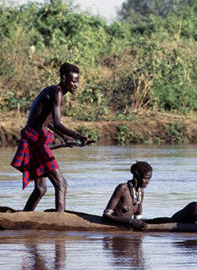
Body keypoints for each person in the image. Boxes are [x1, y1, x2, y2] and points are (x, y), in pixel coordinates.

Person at [10, 62, 91, 212]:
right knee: (61, 184)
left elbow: (50, 122)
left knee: (40, 189)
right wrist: (80, 137)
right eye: (73, 81)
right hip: (35, 141)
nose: (76, 85)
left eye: (77, 81)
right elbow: (58, 123)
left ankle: (24, 217)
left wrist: (65, 138)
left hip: (35, 140)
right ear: (63, 78)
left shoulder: (55, 92)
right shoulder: (56, 93)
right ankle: (60, 221)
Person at [103, 161, 153, 229]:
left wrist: (155, 221)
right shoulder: (122, 188)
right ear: (137, 176)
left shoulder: (140, 192)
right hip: (115, 227)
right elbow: (106, 216)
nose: (148, 182)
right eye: (145, 179)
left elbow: (138, 218)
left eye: (149, 179)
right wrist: (130, 222)